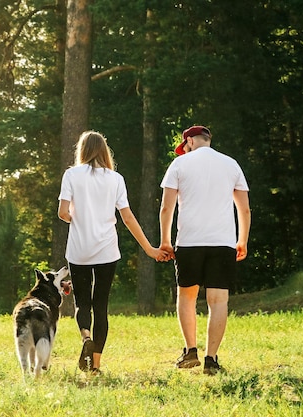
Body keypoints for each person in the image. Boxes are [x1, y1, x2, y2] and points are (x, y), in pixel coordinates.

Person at [58, 130, 168, 374]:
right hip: (106, 250)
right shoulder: (115, 179)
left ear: (82, 151)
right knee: (101, 306)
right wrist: (149, 249)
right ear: (104, 151)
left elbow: (63, 213)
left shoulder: (71, 175)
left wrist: (78, 218)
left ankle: (86, 337)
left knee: (82, 303)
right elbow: (127, 217)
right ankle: (95, 366)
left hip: (79, 250)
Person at [159, 125, 251, 375]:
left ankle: (190, 351)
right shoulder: (231, 164)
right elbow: (244, 209)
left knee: (187, 297)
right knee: (218, 300)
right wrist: (242, 240)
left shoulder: (180, 165)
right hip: (223, 242)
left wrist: (165, 241)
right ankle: (211, 359)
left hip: (189, 241)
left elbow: (167, 208)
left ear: (189, 141)